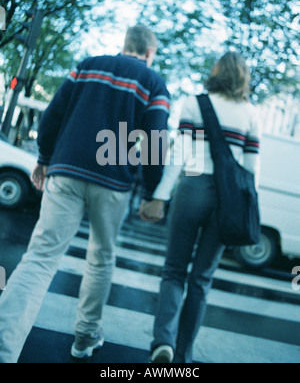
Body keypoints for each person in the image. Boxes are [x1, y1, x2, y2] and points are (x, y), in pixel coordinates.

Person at [0, 24, 170, 363]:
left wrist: (44, 159)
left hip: (66, 170)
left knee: (40, 257)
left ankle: (4, 346)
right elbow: (155, 140)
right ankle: (85, 336)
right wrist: (152, 193)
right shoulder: (153, 83)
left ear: (125, 45)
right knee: (101, 256)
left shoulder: (87, 64)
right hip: (113, 180)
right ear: (149, 53)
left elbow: (52, 115)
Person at [140, 51, 261, 363]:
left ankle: (162, 342)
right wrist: (248, 210)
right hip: (227, 199)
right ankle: (183, 354)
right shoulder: (250, 113)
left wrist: (160, 196)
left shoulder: (194, 103)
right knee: (202, 278)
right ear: (243, 77)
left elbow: (180, 156)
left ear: (216, 72)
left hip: (192, 186)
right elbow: (251, 171)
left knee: (173, 270)